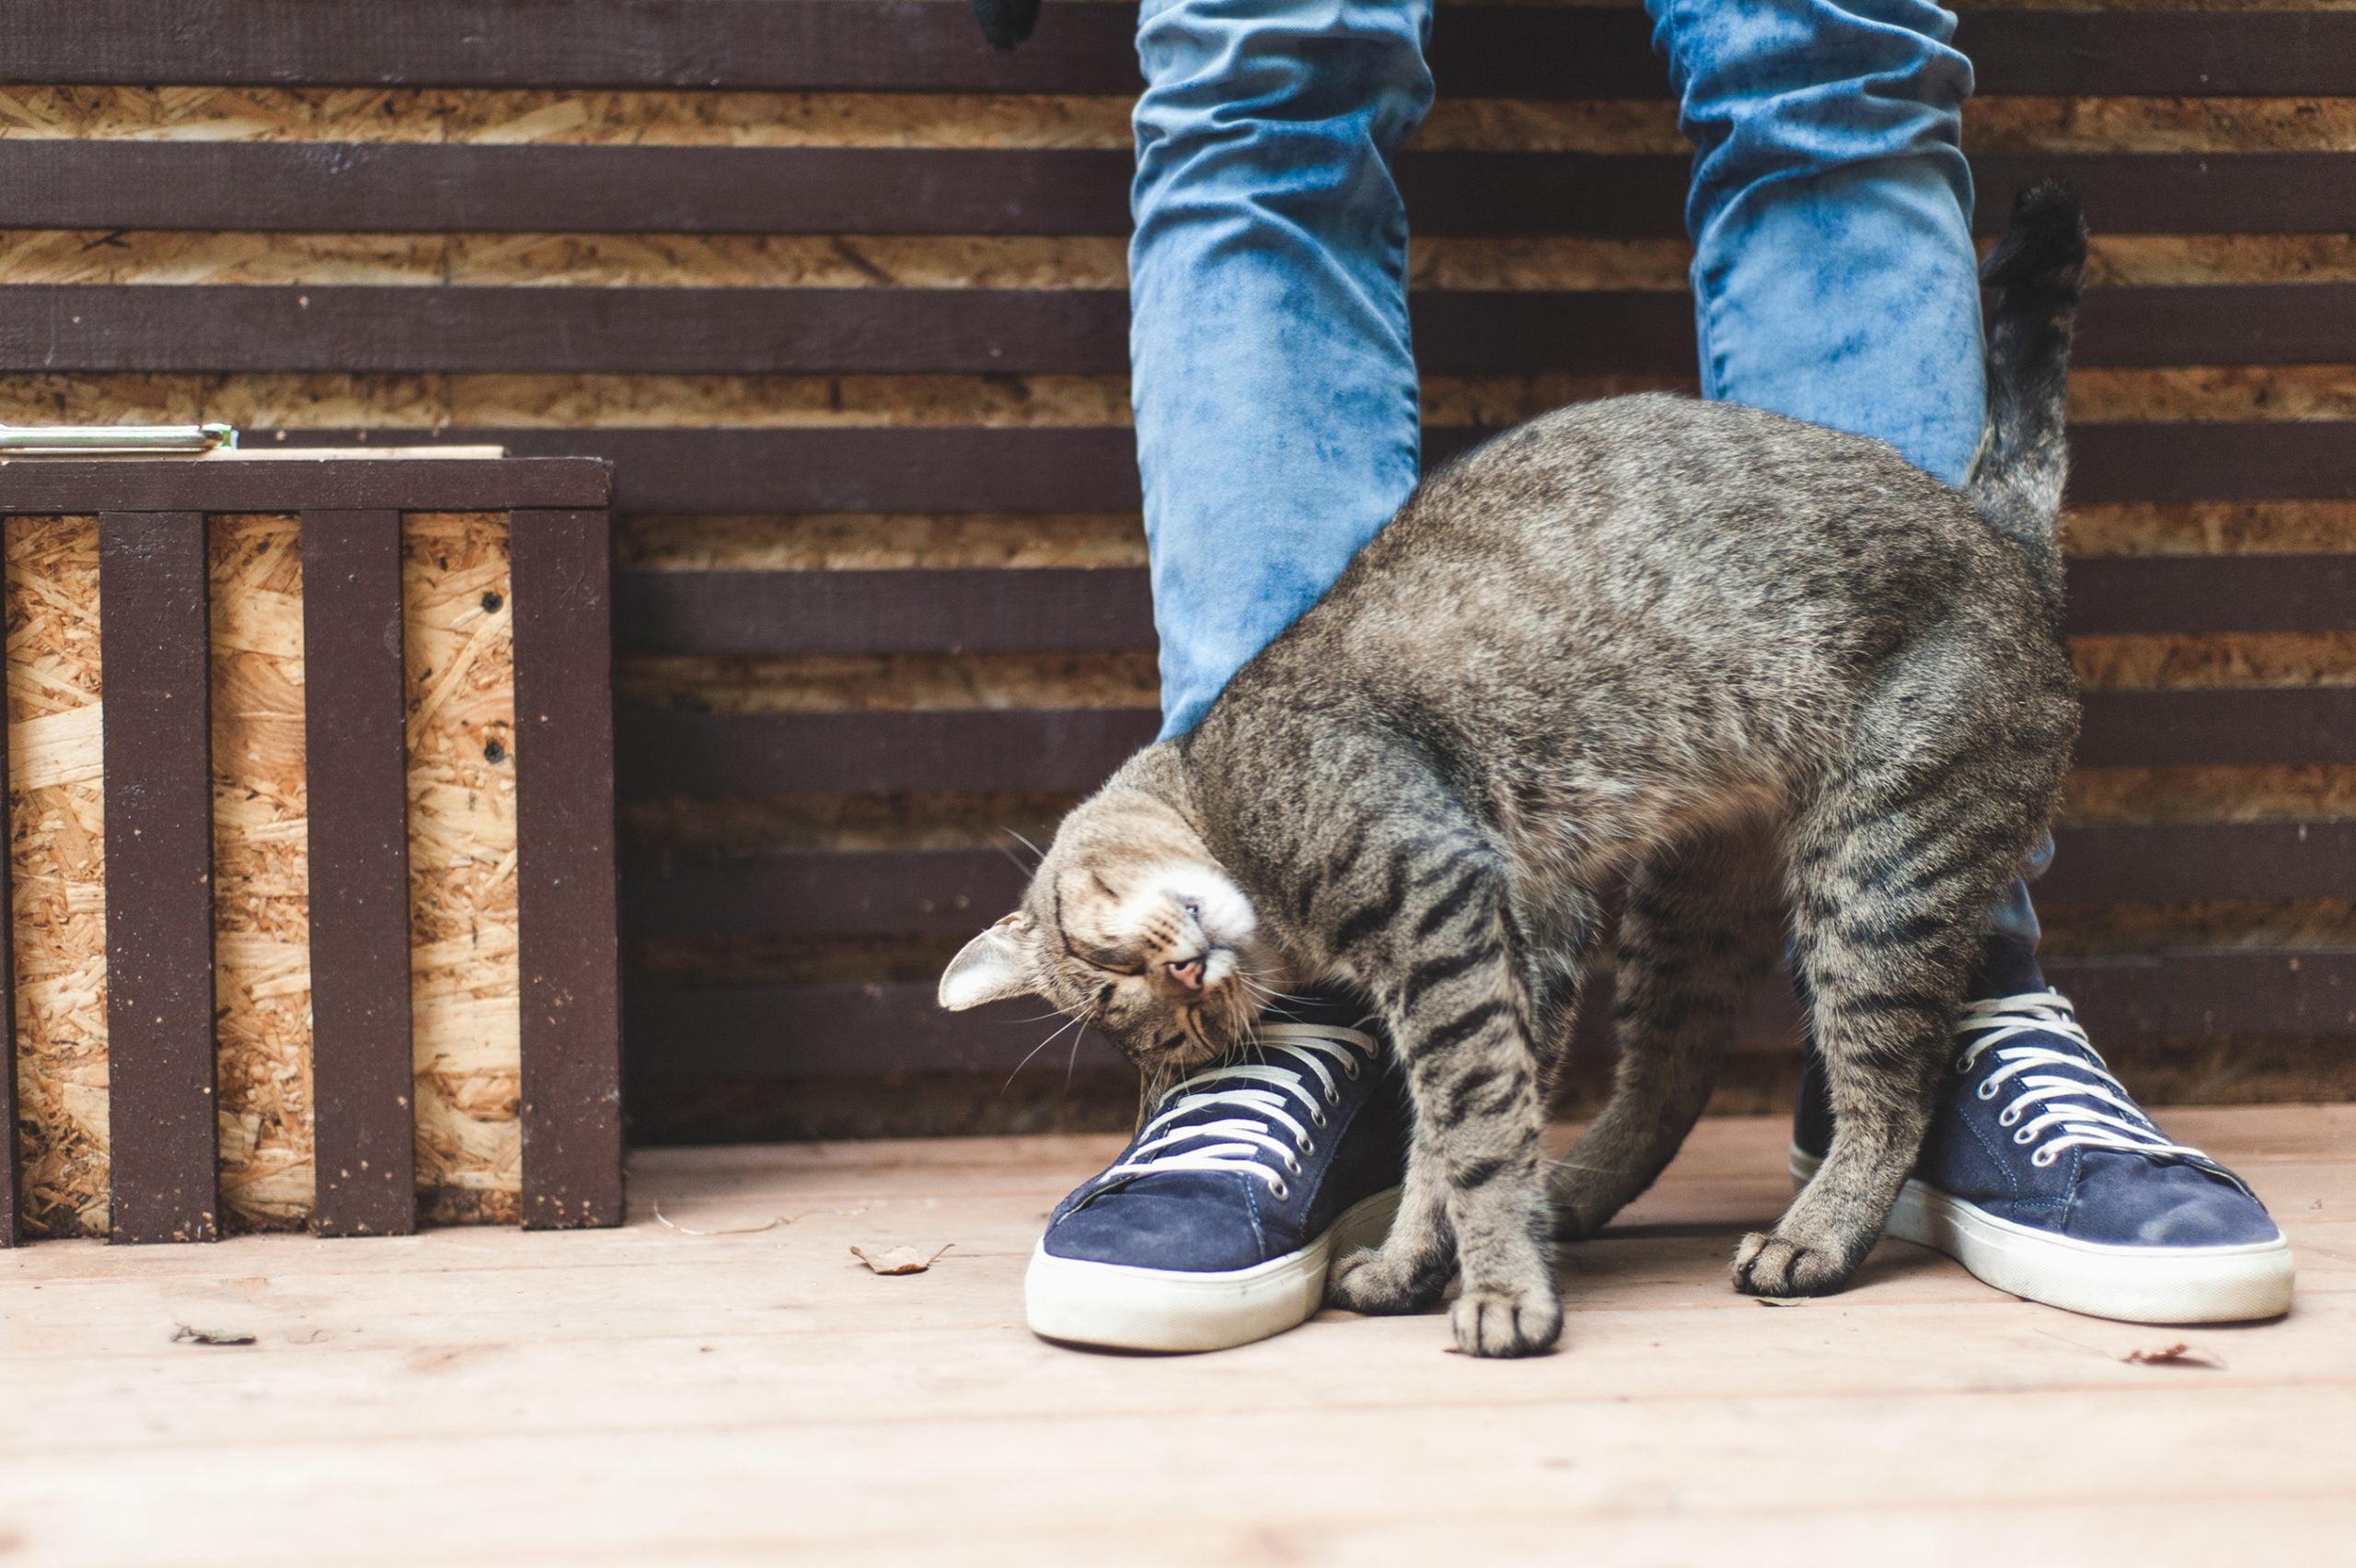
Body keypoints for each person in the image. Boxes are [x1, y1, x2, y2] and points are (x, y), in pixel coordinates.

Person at [976, 0, 2292, 1353]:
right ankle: (1315, 1050)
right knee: (1266, 56)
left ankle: (1942, 1026)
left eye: (1139, 985)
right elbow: (1487, 940)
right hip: (1646, 722)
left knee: (1826, 49)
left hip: (1867, 658)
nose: (1176, 977)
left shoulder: (1256, 783)